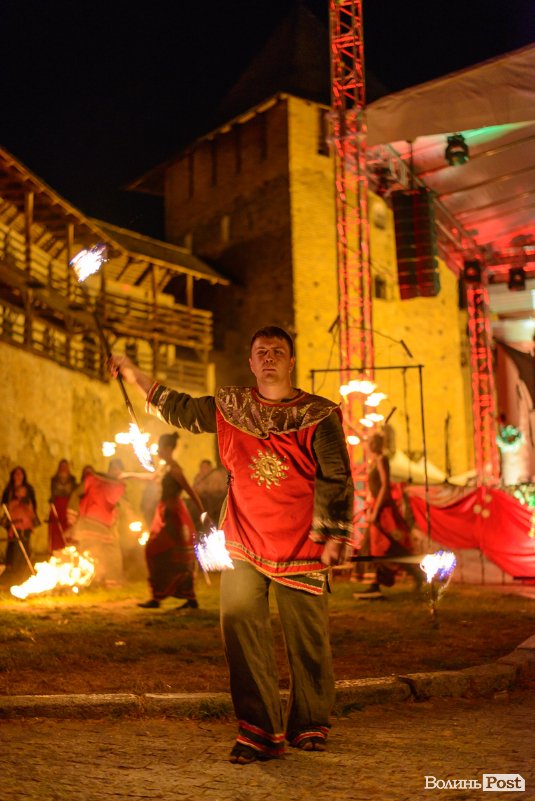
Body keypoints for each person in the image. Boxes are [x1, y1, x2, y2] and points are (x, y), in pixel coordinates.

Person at [109, 325, 354, 764]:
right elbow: (179, 408)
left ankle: (310, 723)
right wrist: (134, 374)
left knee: (309, 640)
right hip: (243, 538)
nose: (269, 358)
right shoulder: (231, 407)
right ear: (250, 361)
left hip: (301, 543)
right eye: (261, 351)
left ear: (291, 361)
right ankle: (260, 730)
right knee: (240, 629)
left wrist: (335, 533)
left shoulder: (319, 414)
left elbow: (336, 474)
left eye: (278, 351)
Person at [135, 432, 204, 610]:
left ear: (168, 448)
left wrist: (202, 511)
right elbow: (151, 477)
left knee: (172, 554)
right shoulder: (165, 467)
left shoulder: (175, 469)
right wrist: (127, 475)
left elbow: (189, 490)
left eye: (160, 447)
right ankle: (159, 596)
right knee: (157, 551)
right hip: (165, 512)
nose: (157, 451)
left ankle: (187, 598)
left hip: (175, 514)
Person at [353, 432, 423, 600]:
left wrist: (376, 511)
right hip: (377, 508)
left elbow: (385, 486)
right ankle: (375, 585)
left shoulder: (381, 460)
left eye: (370, 440)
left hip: (383, 511)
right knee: (382, 547)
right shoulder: (373, 462)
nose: (367, 443)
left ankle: (378, 585)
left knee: (385, 546)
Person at [67, 461, 126, 588]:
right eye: (114, 470)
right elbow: (76, 493)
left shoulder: (118, 486)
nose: (116, 473)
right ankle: (81, 583)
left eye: (119, 471)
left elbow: (116, 506)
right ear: (109, 470)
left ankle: (111, 583)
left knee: (111, 554)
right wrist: (72, 515)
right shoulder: (93, 479)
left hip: (106, 526)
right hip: (89, 523)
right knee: (88, 553)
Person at [1, 483, 39, 583]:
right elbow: (9, 511)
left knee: (25, 549)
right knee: (17, 550)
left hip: (26, 529)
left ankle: (23, 570)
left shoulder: (27, 502)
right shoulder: (13, 502)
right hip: (16, 528)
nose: (21, 493)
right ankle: (16, 571)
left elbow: (32, 514)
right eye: (19, 491)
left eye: (23, 491)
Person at [48, 459, 77, 552]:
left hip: (68, 507)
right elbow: (53, 494)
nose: (64, 468)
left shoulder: (73, 480)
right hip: (57, 507)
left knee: (68, 529)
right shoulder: (54, 480)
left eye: (65, 466)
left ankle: (69, 551)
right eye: (62, 466)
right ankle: (57, 550)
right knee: (57, 531)